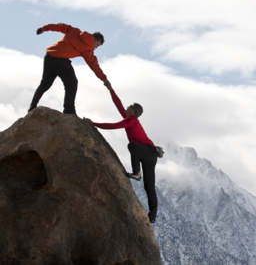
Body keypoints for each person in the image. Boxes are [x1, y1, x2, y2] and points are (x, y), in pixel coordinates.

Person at [84, 84, 159, 224]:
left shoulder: (131, 120)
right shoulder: (129, 118)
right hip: (151, 154)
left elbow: (113, 126)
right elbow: (118, 103)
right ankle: (153, 215)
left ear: (133, 111)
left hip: (148, 151)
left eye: (129, 106)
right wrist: (110, 89)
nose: (126, 106)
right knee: (149, 186)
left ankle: (137, 172)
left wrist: (93, 123)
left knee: (132, 146)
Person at [29, 23, 111, 115]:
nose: (95, 48)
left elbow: (60, 26)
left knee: (45, 83)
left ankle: (32, 107)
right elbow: (94, 65)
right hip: (60, 61)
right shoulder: (87, 49)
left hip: (49, 56)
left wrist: (44, 28)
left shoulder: (75, 31)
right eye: (97, 45)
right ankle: (69, 110)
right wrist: (104, 79)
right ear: (95, 39)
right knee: (72, 82)